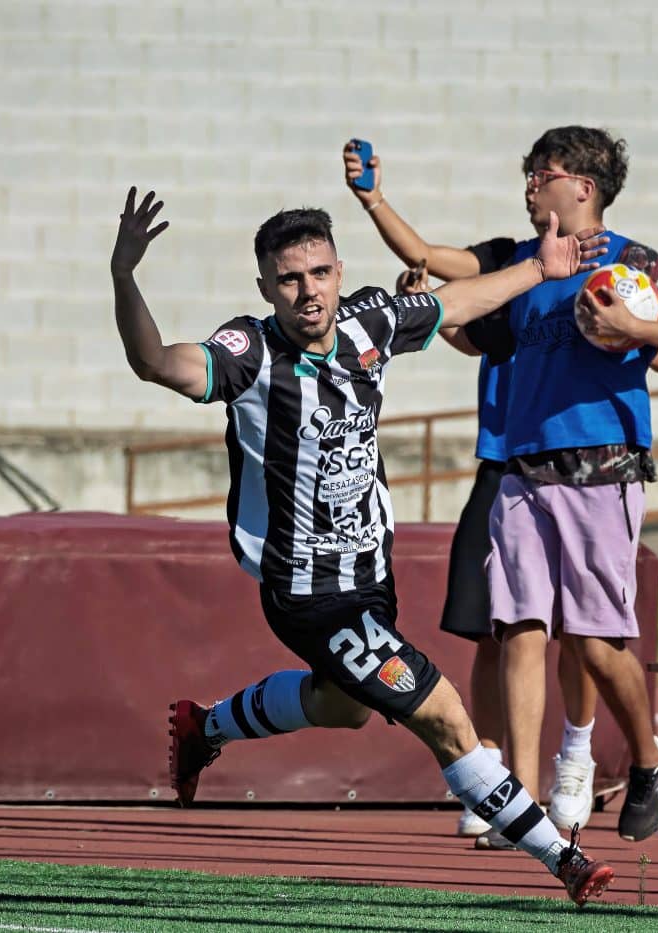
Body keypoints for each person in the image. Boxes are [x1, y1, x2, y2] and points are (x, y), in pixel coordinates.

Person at [111, 185, 614, 905]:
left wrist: (542, 266)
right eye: (288, 279)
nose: (306, 291)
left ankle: (206, 725)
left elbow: (458, 304)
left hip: (369, 576)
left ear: (339, 272)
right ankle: (563, 859)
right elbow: (157, 361)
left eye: (318, 273)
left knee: (343, 706)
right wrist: (124, 275)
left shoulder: (370, 320)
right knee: (442, 716)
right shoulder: (249, 353)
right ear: (265, 288)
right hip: (306, 593)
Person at [343, 137, 658, 841]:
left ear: (584, 188)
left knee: (592, 643)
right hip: (521, 467)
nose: (530, 186)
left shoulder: (629, 263)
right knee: (519, 630)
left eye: (544, 175)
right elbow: (434, 263)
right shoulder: (517, 264)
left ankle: (643, 758)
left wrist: (634, 329)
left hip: (601, 468)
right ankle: (522, 802)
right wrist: (374, 198)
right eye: (528, 174)